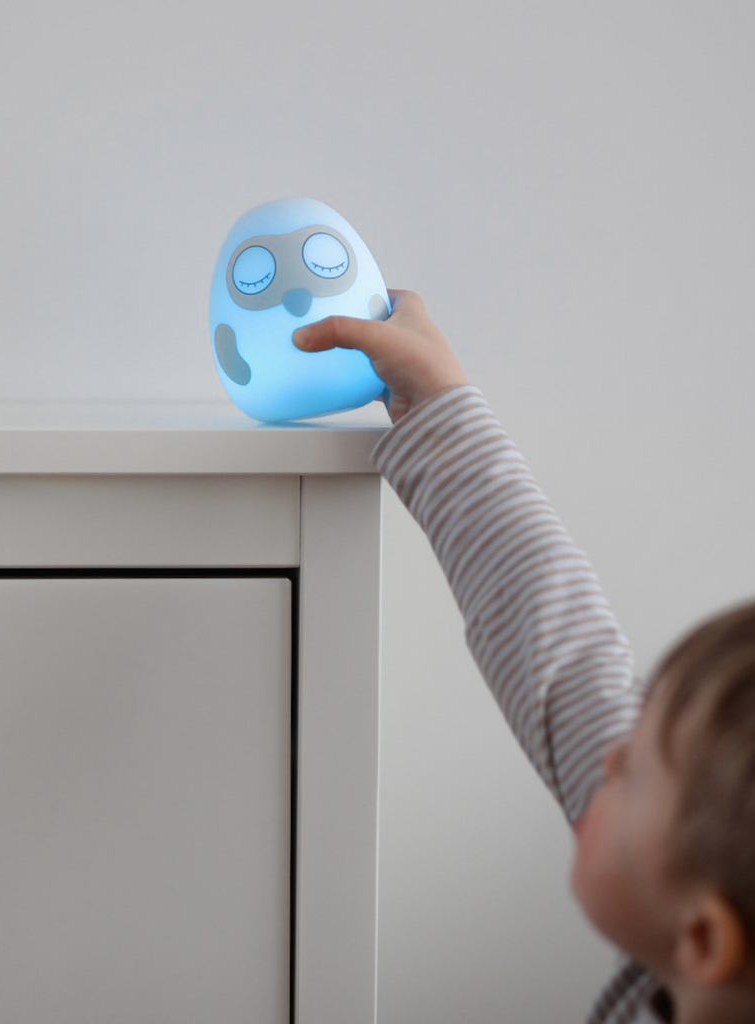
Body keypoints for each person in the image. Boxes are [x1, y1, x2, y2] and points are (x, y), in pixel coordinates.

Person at [293, 292, 755, 1024]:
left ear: (702, 937)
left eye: (632, 770)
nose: (608, 755)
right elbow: (563, 653)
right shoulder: (683, 899)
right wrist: (443, 407)